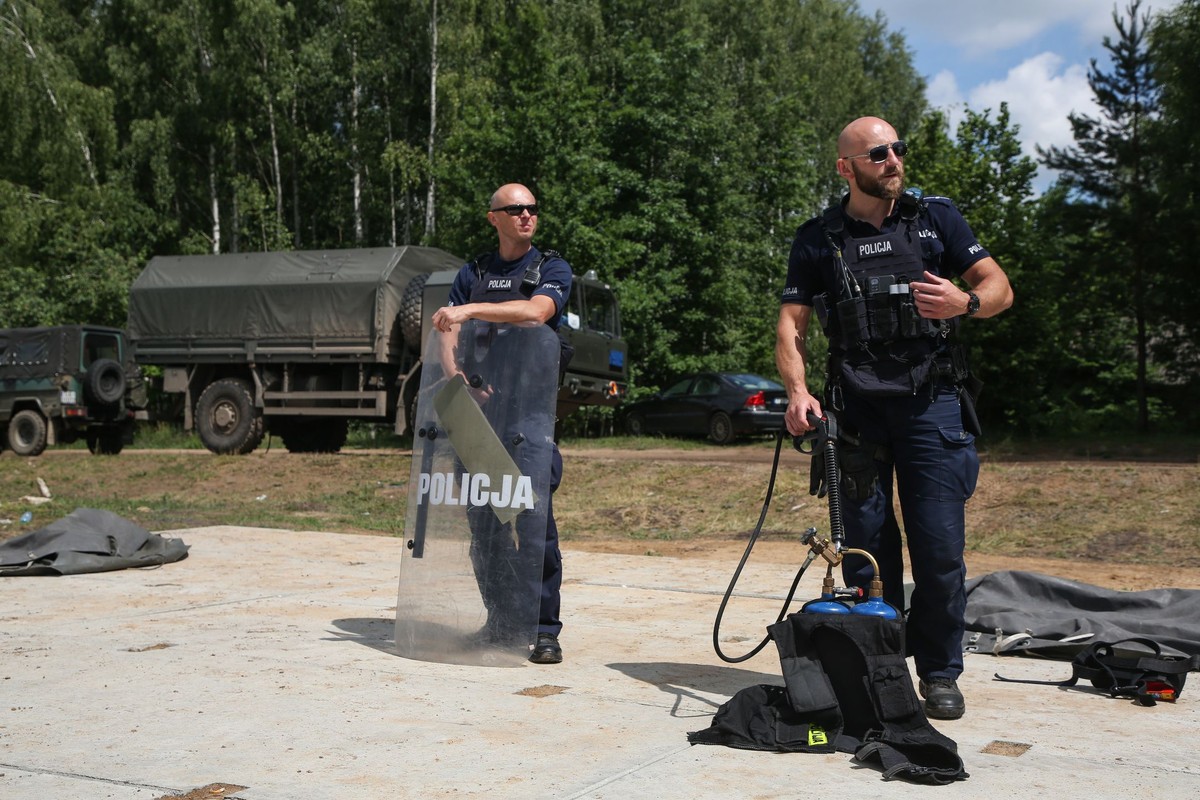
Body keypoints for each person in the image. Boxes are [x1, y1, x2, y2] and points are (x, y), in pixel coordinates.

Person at [775, 117, 1013, 719]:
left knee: (940, 549)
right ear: (845, 167)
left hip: (932, 406)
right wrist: (799, 391)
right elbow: (792, 325)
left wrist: (969, 302)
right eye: (877, 152)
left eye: (897, 149)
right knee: (866, 552)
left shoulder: (936, 219)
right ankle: (881, 668)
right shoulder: (818, 237)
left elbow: (997, 285)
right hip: (855, 411)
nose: (892, 159)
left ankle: (939, 672)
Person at [431, 183, 571, 665]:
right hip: (480, 416)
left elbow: (537, 312)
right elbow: (445, 330)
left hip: (529, 416)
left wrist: (468, 310)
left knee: (533, 526)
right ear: (494, 218)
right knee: (485, 526)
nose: (527, 215)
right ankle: (501, 621)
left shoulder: (549, 268)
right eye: (516, 209)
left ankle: (543, 629)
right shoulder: (473, 271)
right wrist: (458, 380)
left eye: (533, 208)